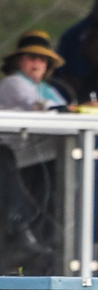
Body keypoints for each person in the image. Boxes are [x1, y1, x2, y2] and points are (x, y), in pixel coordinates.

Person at [0, 31, 67, 255]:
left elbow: (64, 109)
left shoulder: (49, 89)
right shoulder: (13, 82)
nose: (37, 63)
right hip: (12, 153)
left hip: (37, 153)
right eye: (32, 57)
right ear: (19, 61)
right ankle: (23, 229)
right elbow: (38, 105)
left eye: (42, 59)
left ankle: (52, 234)